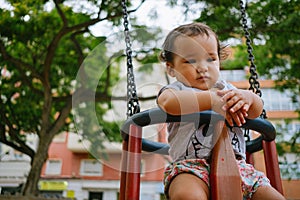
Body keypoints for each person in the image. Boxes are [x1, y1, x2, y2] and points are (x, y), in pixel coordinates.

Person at [157, 22, 285, 200]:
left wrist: (249, 97)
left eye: (211, 58)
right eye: (190, 60)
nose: (203, 67)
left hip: (238, 167)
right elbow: (168, 103)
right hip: (191, 167)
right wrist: (212, 100)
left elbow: (255, 111)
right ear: (171, 68)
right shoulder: (177, 89)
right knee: (186, 194)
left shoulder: (228, 89)